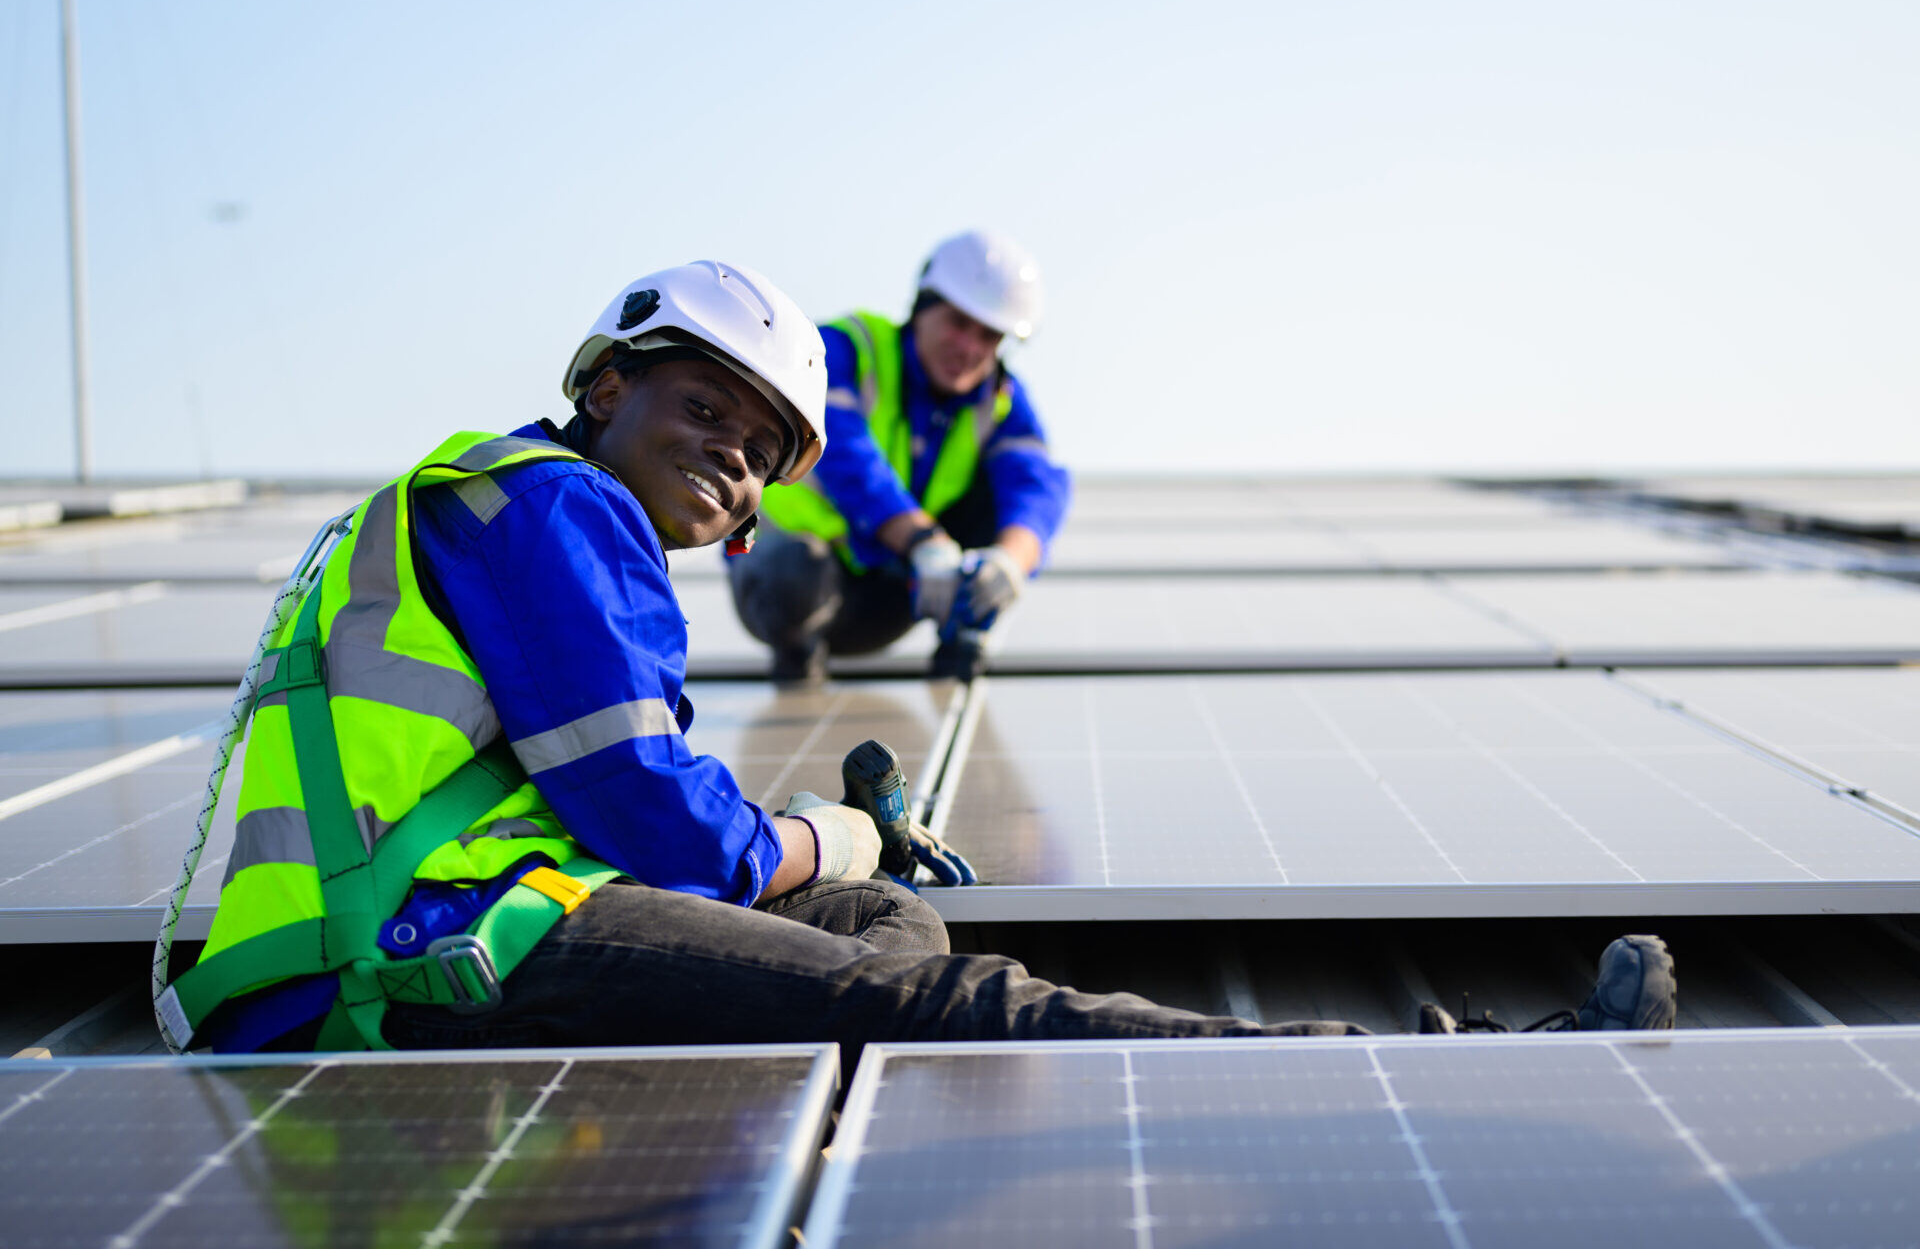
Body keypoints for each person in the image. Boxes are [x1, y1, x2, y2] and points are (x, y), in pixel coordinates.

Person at [157, 261, 1675, 1057]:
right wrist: (825, 825)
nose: (735, 468)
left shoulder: (493, 498)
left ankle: (768, 1065)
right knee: (942, 997)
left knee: (877, 922)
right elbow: (645, 813)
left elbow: (1035, 490)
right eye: (706, 415)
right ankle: (1428, 1064)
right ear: (608, 385)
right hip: (407, 952)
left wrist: (838, 866)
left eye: (763, 454)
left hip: (454, 921)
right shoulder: (551, 504)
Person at [729, 230, 1072, 681]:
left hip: (893, 594)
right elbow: (843, 454)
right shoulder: (850, 349)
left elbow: (1037, 483)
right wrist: (922, 539)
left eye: (989, 335)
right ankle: (798, 666)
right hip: (789, 580)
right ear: (923, 306)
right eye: (958, 321)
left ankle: (964, 641)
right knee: (796, 574)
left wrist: (1010, 563)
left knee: (1004, 508)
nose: (970, 347)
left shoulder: (999, 398)